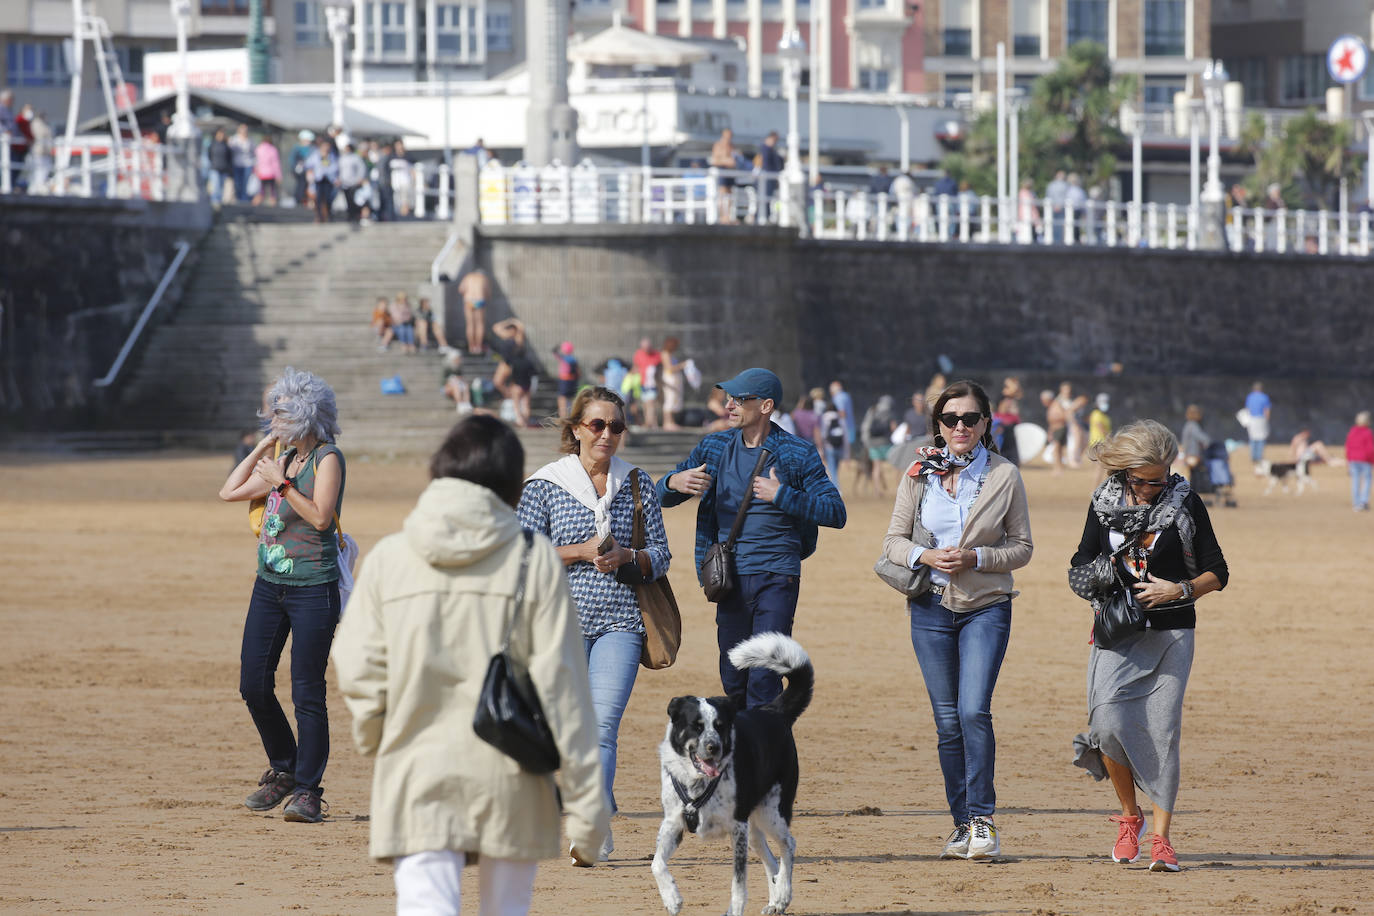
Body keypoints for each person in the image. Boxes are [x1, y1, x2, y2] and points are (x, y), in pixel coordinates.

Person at [331, 415, 609, 913]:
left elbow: (355, 663)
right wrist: (587, 811)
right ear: (510, 486)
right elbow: (564, 692)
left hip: (416, 767)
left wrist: (376, 732)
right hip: (513, 774)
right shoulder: (535, 560)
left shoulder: (390, 557)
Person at [880, 380, 1033, 861]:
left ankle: (984, 820)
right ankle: (961, 824)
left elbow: (1022, 547)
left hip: (985, 605)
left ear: (986, 423)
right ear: (938, 425)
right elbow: (893, 543)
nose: (961, 427)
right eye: (951, 419)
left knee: (972, 711)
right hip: (928, 607)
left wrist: (977, 557)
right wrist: (926, 555)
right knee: (947, 723)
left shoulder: (1004, 475)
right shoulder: (918, 472)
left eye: (970, 419)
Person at [518, 387, 671, 862]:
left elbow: (662, 555)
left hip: (621, 622)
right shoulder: (545, 484)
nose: (607, 434)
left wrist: (631, 557)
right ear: (576, 429)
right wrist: (580, 552)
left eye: (617, 427)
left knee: (602, 727)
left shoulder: (638, 483)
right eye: (598, 425)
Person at [1071, 420, 1229, 874]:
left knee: (1163, 733)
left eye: (1157, 481)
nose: (1148, 490)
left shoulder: (1186, 503)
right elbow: (1080, 560)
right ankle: (1129, 815)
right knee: (1104, 723)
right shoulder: (1103, 503)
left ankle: (1161, 839)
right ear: (1123, 473)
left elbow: (1217, 572)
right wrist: (1109, 571)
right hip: (1116, 631)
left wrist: (1177, 591)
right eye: (1139, 481)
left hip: (1172, 632)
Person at [657, 368, 846, 709]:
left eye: (740, 399)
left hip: (777, 575)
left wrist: (783, 495)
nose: (729, 405)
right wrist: (673, 482)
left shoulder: (796, 453)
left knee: (764, 675)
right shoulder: (713, 447)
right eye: (729, 398)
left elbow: (835, 512)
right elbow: (661, 496)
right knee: (733, 678)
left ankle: (766, 756)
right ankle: (740, 755)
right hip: (728, 576)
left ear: (766, 405)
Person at [217, 367, 347, 825]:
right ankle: (285, 768)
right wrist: (261, 448)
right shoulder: (284, 458)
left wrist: (281, 484)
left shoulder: (327, 459)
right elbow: (228, 491)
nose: (274, 418)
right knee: (253, 683)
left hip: (314, 587)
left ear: (305, 413)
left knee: (308, 692)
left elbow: (320, 518)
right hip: (269, 586)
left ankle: (309, 790)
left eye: (280, 413)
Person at [490, 317, 536, 427]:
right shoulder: (506, 336)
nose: (509, 331)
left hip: (513, 364)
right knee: (497, 382)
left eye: (511, 329)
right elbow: (495, 328)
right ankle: (509, 395)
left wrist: (515, 322)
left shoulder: (518, 338)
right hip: (504, 362)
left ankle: (519, 414)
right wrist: (508, 321)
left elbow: (521, 327)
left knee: (513, 386)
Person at [860, 395, 898, 495]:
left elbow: (866, 426)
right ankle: (896, 488)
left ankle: (877, 490)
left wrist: (866, 441)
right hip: (886, 442)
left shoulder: (872, 411)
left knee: (876, 467)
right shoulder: (890, 413)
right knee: (894, 464)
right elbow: (893, 428)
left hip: (873, 443)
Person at [458, 268, 491, 354]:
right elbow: (487, 292)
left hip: (469, 301)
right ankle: (478, 346)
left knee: (470, 324)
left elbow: (461, 289)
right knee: (480, 324)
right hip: (479, 300)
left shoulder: (468, 277)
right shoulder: (483, 278)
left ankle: (471, 347)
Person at [306, 137, 338, 223]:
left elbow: (335, 167)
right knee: (318, 199)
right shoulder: (316, 155)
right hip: (318, 179)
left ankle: (328, 215)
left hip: (329, 180)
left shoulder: (332, 156)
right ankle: (319, 216)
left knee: (328, 198)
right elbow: (309, 164)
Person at [1346, 411, 1373, 511]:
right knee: (1367, 481)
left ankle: (1356, 504)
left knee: (1355, 482)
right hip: (1365, 460)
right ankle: (1363, 502)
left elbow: (1348, 446)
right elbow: (1370, 449)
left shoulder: (1352, 431)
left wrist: (1348, 461)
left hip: (1353, 460)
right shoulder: (1367, 432)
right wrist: (1372, 460)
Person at [710, 128, 738, 224]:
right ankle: (723, 216)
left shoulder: (732, 146)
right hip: (722, 171)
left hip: (730, 172)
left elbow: (735, 159)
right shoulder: (718, 145)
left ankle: (728, 216)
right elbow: (714, 160)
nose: (729, 137)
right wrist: (726, 161)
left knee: (730, 194)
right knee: (722, 193)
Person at [633, 338, 662, 430]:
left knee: (651, 403)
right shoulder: (638, 354)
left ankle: (650, 423)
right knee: (645, 405)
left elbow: (660, 368)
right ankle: (651, 423)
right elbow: (636, 367)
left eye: (648, 347)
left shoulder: (656, 354)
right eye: (644, 348)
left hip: (653, 383)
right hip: (642, 383)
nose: (646, 349)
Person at [1242, 381, 1271, 473]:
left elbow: (1247, 409)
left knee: (1253, 438)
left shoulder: (1250, 397)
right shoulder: (1264, 397)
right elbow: (1266, 410)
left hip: (1251, 419)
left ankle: (1253, 456)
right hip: (1260, 418)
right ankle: (1258, 457)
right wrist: (1267, 420)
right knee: (1261, 438)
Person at [338, 143, 368, 224]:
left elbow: (361, 169)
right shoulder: (342, 158)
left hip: (354, 183)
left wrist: (360, 179)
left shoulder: (356, 158)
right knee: (348, 201)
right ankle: (350, 215)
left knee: (355, 200)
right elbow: (340, 170)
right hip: (345, 183)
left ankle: (356, 215)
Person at [660, 337, 684, 431]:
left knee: (673, 400)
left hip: (674, 379)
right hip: (669, 379)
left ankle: (671, 421)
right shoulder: (665, 354)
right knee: (669, 401)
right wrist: (682, 365)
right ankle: (667, 422)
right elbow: (669, 368)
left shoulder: (671, 354)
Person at [227, 124, 255, 203]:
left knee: (245, 183)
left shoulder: (250, 140)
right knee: (238, 182)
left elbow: (253, 152)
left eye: (246, 130)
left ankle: (244, 200)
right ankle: (238, 198)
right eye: (243, 129)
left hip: (248, 164)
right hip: (237, 164)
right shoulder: (234, 139)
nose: (244, 131)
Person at [555, 341, 581, 418]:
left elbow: (554, 352)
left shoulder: (563, 358)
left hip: (564, 381)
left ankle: (563, 417)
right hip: (573, 381)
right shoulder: (574, 359)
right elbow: (578, 372)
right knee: (572, 399)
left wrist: (558, 346)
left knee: (562, 398)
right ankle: (571, 416)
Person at [253, 135, 281, 206]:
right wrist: (278, 175)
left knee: (261, 190)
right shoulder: (273, 149)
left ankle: (256, 203)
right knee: (272, 189)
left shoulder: (259, 149)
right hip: (271, 173)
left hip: (261, 173)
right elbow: (275, 163)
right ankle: (273, 203)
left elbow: (256, 161)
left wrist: (256, 171)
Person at [288, 130, 314, 207]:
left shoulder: (312, 148)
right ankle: (299, 199)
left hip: (308, 171)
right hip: (300, 171)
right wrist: (293, 169)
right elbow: (292, 160)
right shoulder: (297, 148)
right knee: (300, 185)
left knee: (306, 185)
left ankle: (304, 199)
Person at [207, 128, 233, 205]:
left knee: (221, 187)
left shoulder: (226, 146)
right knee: (216, 186)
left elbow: (229, 157)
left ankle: (219, 203)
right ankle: (215, 203)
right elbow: (209, 156)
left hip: (224, 169)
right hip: (215, 168)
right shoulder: (212, 145)